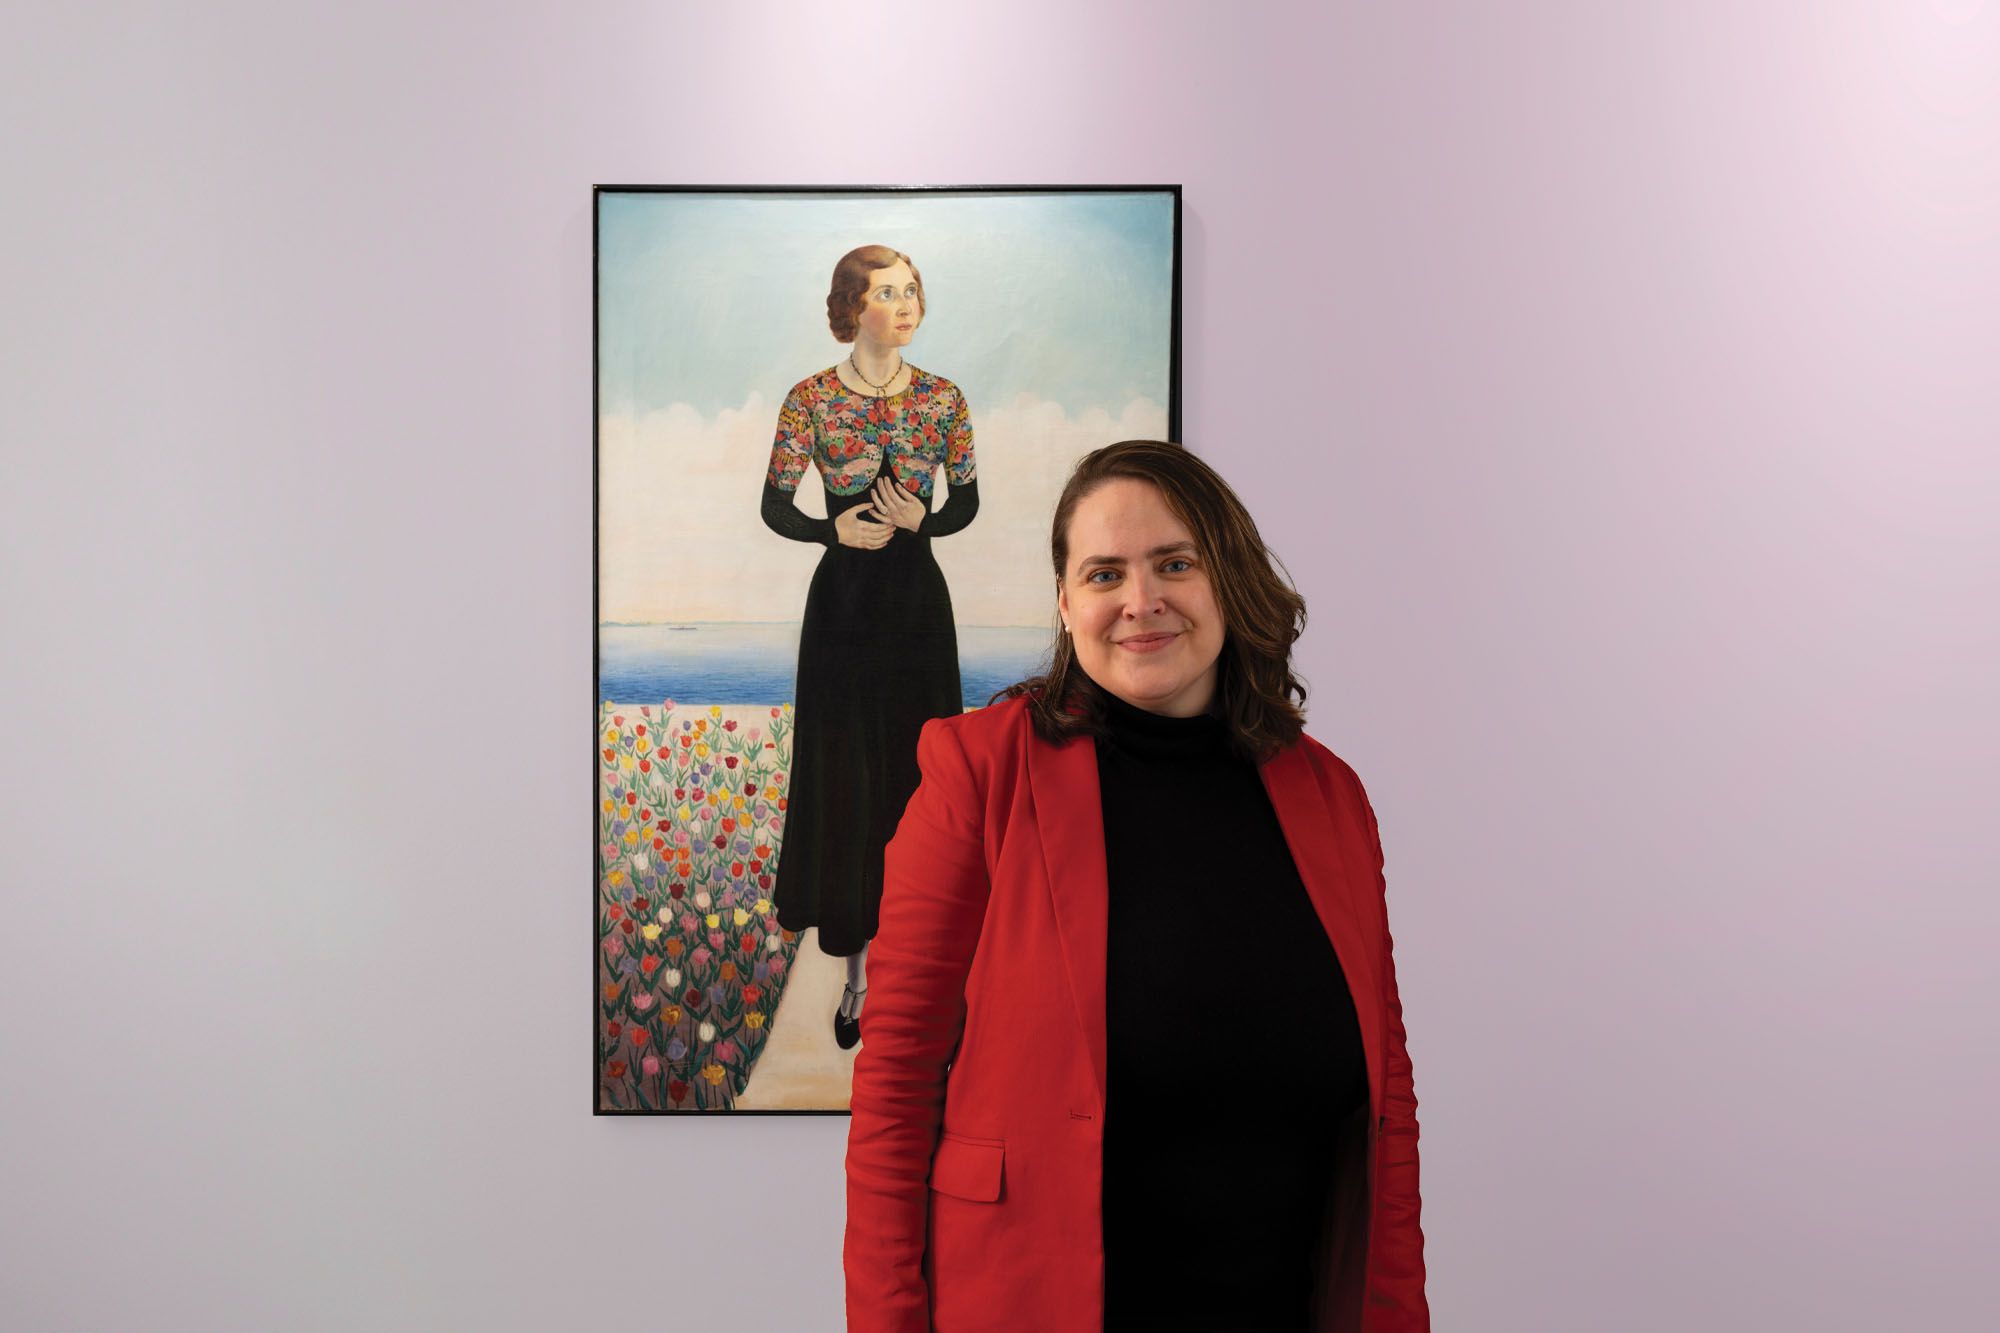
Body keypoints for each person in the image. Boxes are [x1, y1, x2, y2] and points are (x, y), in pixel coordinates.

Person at [843, 441, 1428, 1331]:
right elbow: (895, 1081)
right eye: (1104, 572)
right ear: (1066, 602)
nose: (1140, 600)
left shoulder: (1332, 796)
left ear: (1225, 577)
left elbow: (1387, 1100)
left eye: (1174, 563)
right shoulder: (979, 772)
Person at [760, 244, 980, 1050]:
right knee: (848, 785)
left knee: (920, 779)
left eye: (913, 290)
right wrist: (832, 527)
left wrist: (928, 521)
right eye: (889, 292)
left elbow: (968, 503)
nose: (907, 303)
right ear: (852, 306)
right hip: (844, 609)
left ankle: (924, 977)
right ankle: (856, 984)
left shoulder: (944, 400)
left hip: (919, 608)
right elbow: (775, 506)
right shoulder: (810, 399)